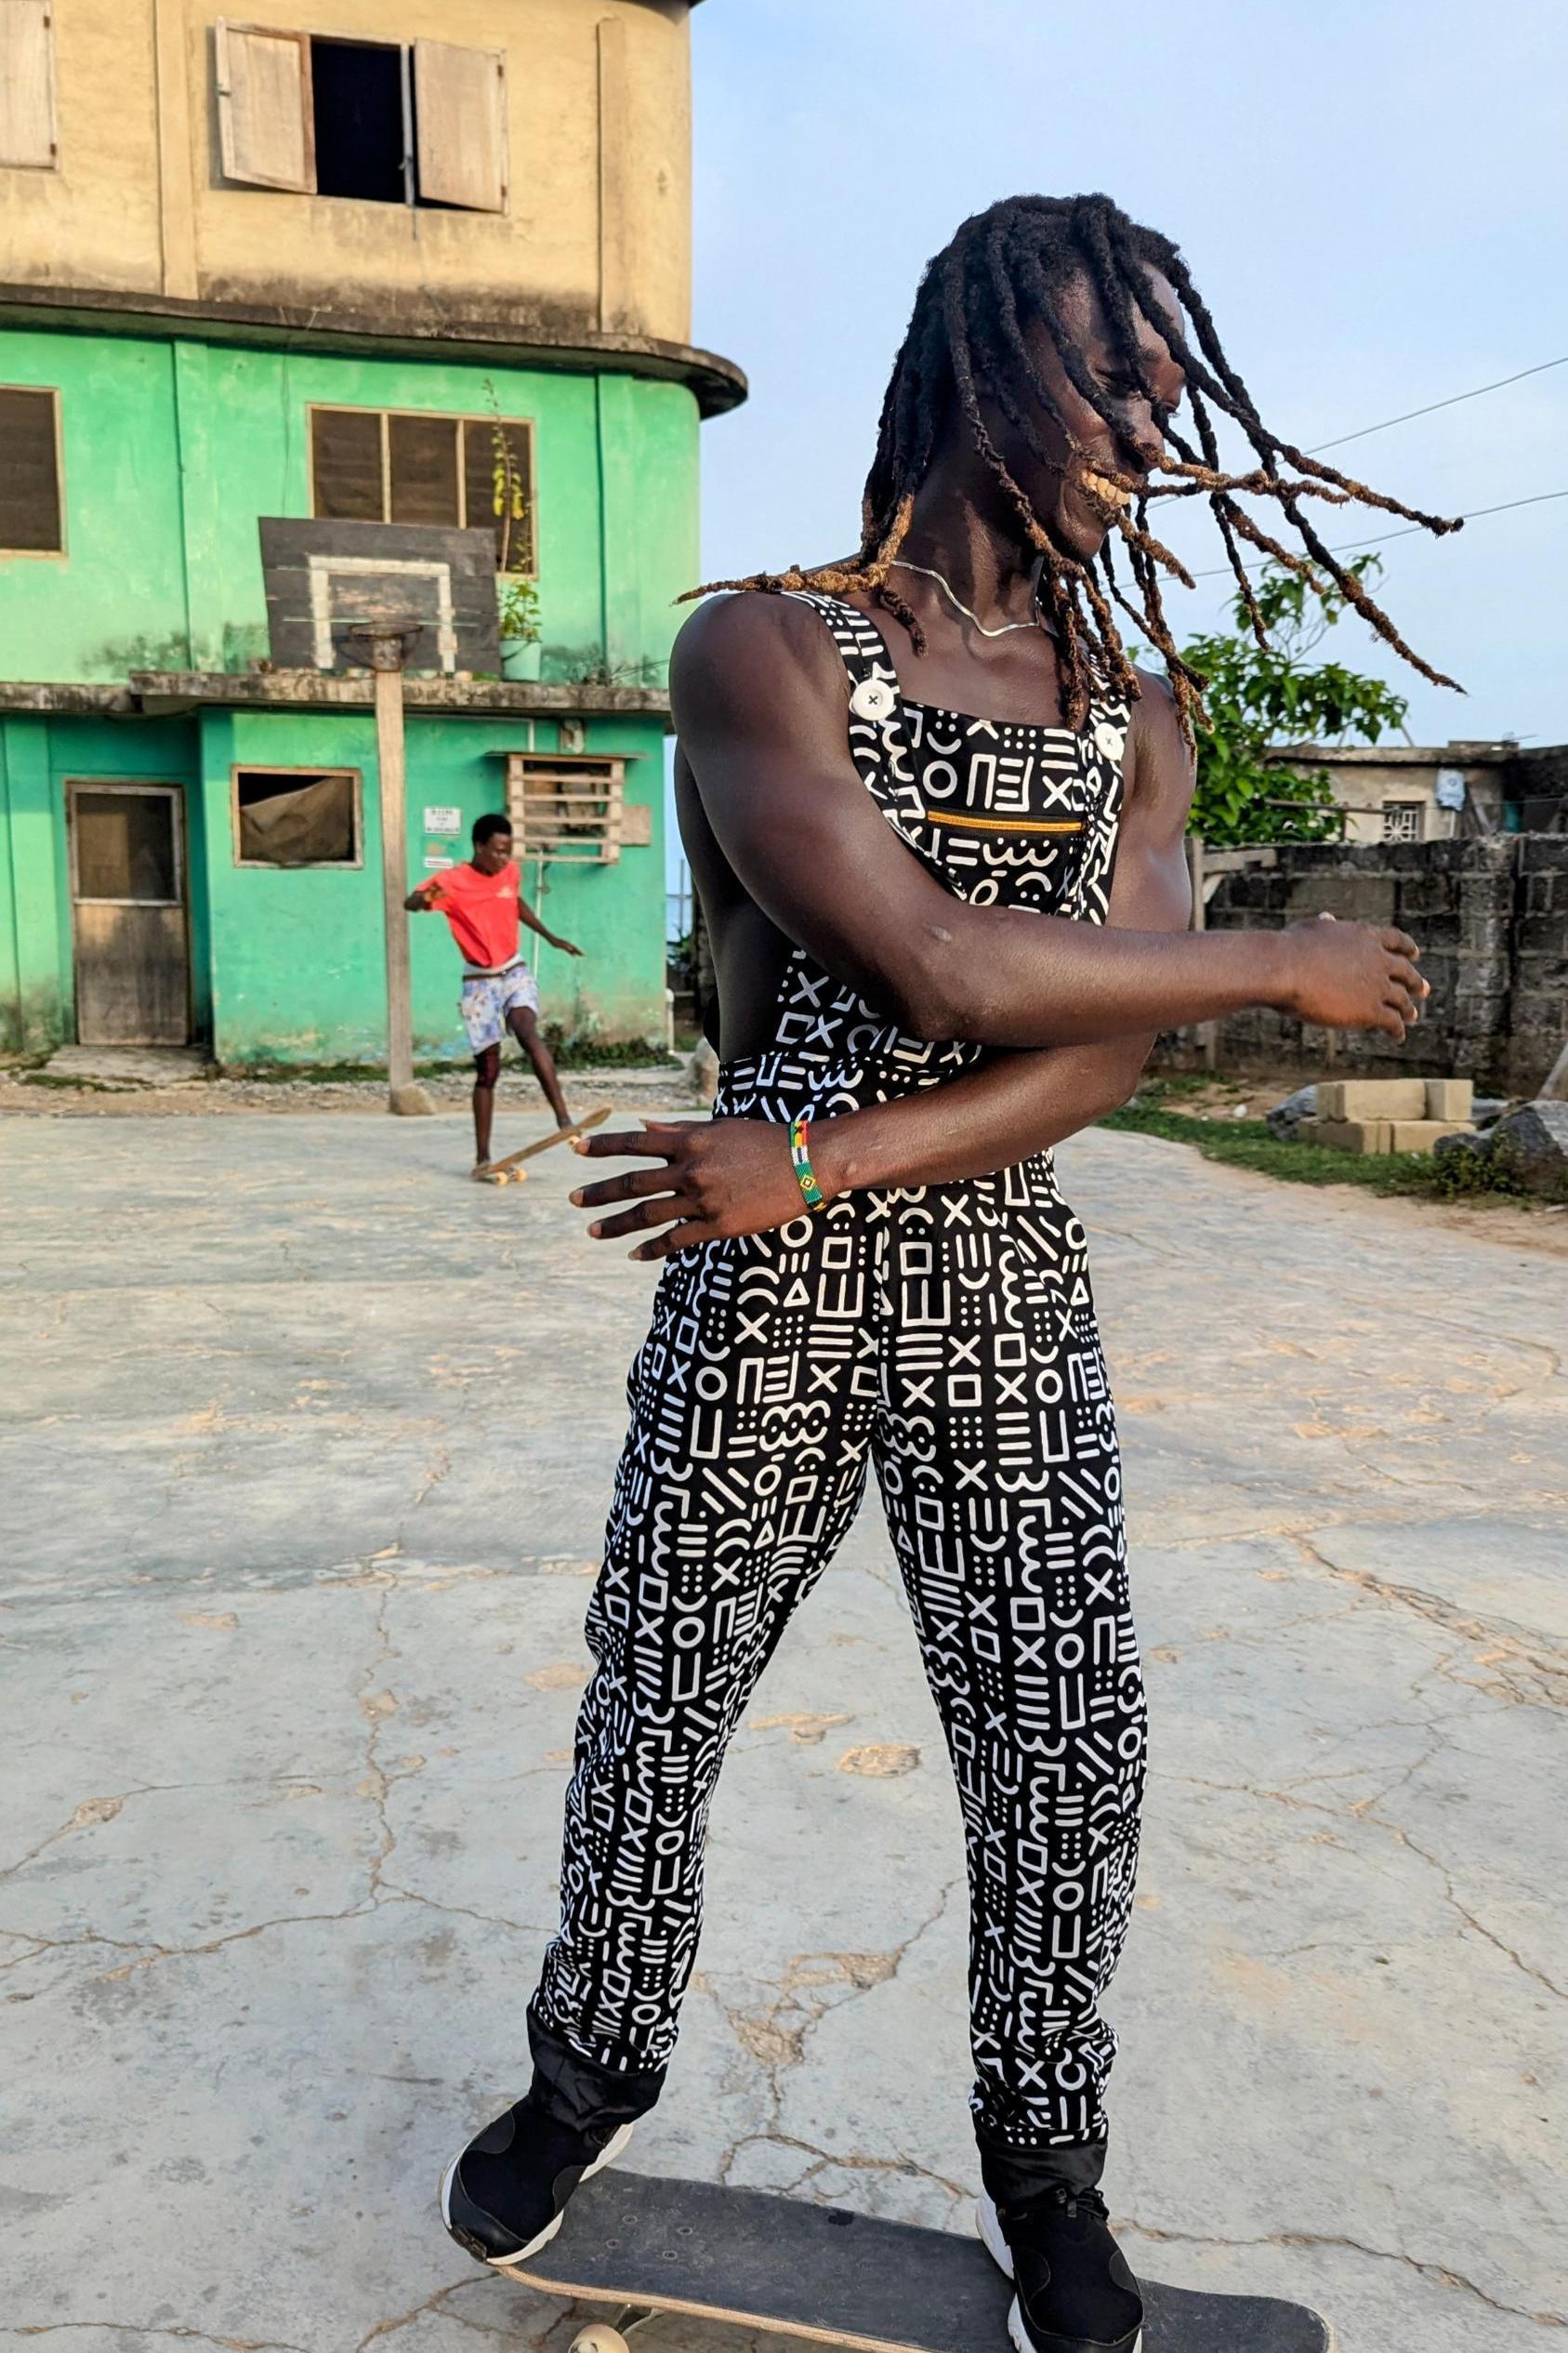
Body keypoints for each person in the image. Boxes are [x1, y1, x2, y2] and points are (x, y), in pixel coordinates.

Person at [441, 193, 1451, 2353]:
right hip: (763, 1301)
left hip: (963, 1253)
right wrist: (1276, 953)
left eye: (1166, 376)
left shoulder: (1141, 712)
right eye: (1108, 366)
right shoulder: (772, 649)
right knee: (662, 1692)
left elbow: (1107, 1033)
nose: (1147, 412)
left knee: (1068, 1735)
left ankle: (1046, 2164)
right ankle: (584, 2070)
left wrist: (816, 1156)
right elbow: (936, 953)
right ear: (976, 370)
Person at [405, 813, 582, 1171]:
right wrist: (426, 897)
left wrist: (551, 938)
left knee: (528, 1032)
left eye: (509, 850)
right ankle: (483, 1156)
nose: (504, 858)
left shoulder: (510, 873)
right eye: (498, 851)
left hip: (513, 971)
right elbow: (413, 901)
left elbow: (515, 902)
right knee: (488, 1071)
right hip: (479, 982)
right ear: (479, 847)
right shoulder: (453, 881)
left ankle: (564, 1121)